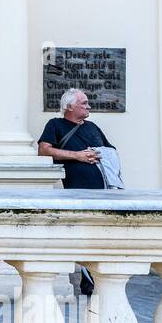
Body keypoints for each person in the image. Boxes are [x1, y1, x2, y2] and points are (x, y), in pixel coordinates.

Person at [38, 87, 116, 296]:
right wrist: (78, 156)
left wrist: (98, 154)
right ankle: (87, 278)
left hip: (103, 191)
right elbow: (44, 149)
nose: (88, 106)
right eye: (84, 103)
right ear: (69, 106)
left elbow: (110, 151)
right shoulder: (55, 125)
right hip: (77, 191)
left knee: (100, 234)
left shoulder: (93, 127)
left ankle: (95, 278)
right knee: (83, 233)